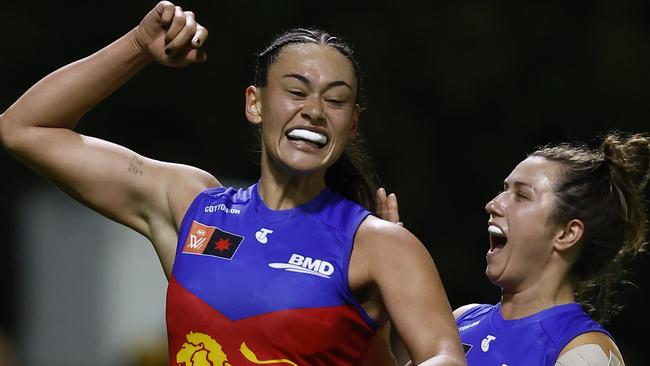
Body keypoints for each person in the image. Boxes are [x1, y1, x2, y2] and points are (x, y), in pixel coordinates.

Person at [0, 2, 466, 365]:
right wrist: (139, 46)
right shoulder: (191, 208)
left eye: (336, 100)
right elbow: (24, 128)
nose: (315, 110)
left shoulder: (381, 245)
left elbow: (444, 356)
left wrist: (376, 343)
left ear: (353, 124)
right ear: (255, 104)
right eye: (297, 91)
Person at [380, 133, 649, 365]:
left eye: (521, 195)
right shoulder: (462, 319)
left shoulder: (584, 351)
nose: (493, 204)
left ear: (567, 233)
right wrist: (382, 284)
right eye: (504, 190)